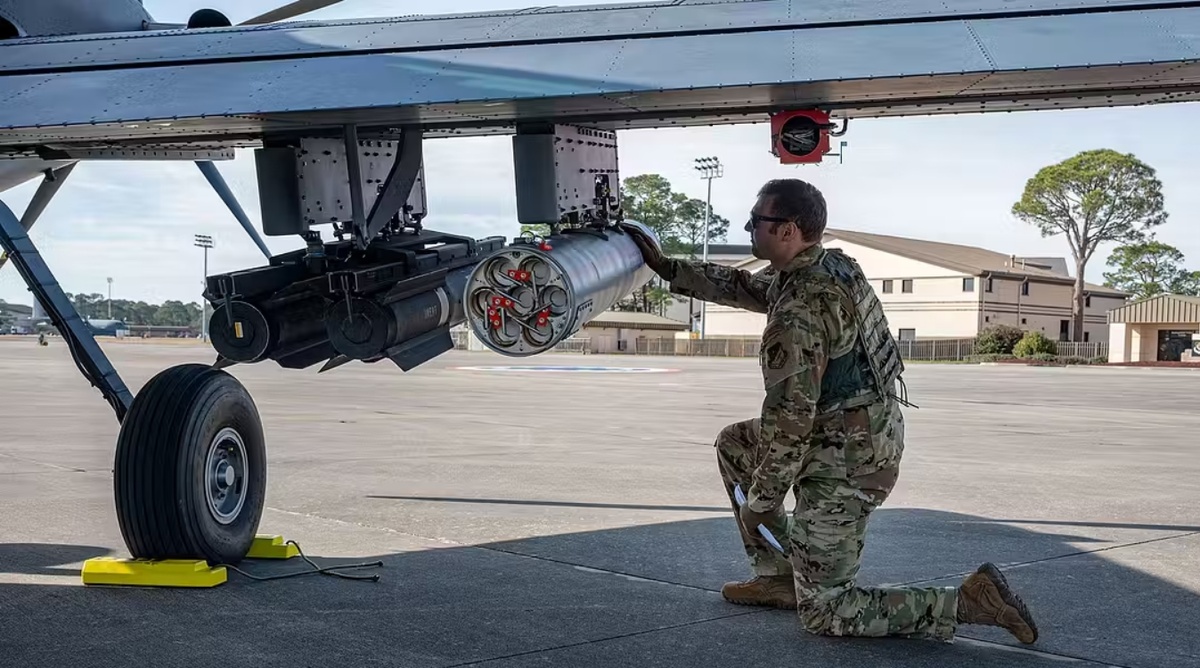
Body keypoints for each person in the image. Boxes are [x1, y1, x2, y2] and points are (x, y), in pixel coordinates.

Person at [621, 178, 1038, 645]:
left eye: (757, 220)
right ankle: (780, 576)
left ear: (788, 230)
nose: (749, 228)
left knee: (829, 612)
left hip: (850, 462)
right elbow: (744, 287)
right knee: (736, 443)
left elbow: (789, 419)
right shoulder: (827, 267)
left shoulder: (799, 309)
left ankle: (966, 600)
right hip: (851, 433)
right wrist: (666, 267)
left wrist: (763, 500)